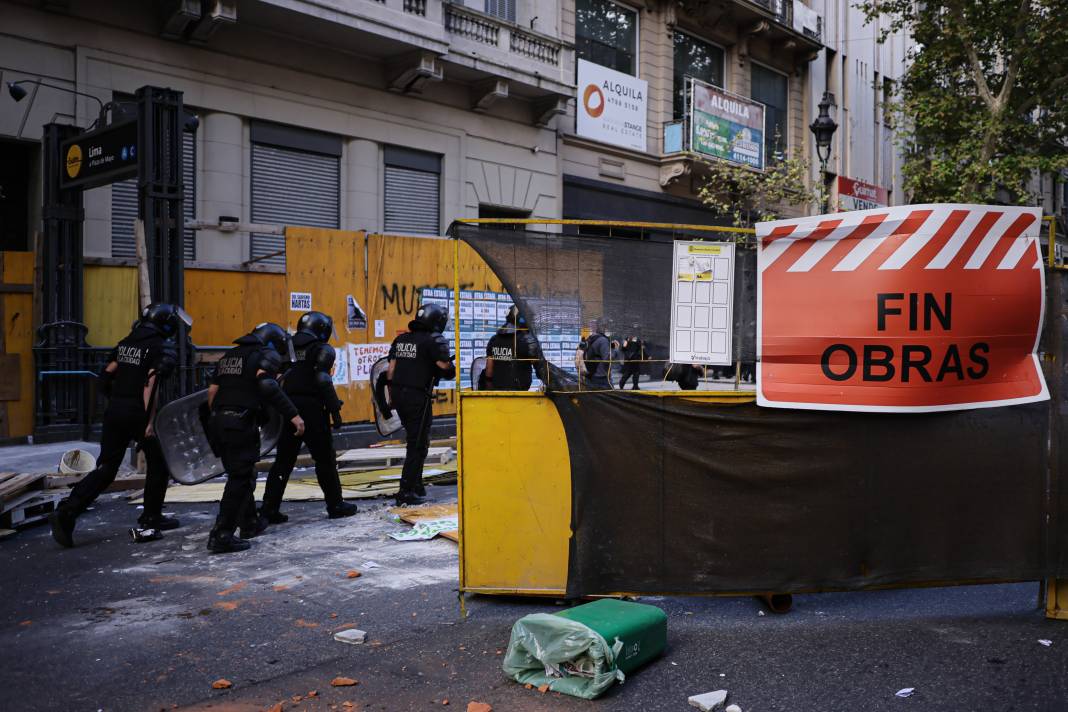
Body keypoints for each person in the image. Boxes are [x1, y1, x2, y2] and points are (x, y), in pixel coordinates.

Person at [49, 303, 191, 547]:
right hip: (139, 412)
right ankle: (151, 517)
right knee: (159, 464)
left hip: (116, 410)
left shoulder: (126, 343)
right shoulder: (159, 347)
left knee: (106, 467)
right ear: (166, 324)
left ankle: (68, 512)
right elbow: (151, 384)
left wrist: (117, 399)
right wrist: (149, 422)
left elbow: (105, 376)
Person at [205, 322, 305, 554]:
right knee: (240, 479)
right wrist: (294, 415)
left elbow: (212, 392)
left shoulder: (230, 355)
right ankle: (222, 534)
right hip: (240, 421)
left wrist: (220, 417)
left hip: (219, 421)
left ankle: (249, 522)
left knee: (242, 474)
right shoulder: (264, 354)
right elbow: (268, 384)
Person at [260, 311, 356, 524]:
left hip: (288, 408)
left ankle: (269, 508)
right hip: (312, 408)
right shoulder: (322, 349)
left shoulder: (287, 346)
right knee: (325, 459)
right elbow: (323, 380)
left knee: (283, 461)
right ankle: (335, 504)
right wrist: (335, 410)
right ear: (322, 329)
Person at [385, 303, 455, 506]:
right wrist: (450, 367)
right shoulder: (433, 340)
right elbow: (444, 366)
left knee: (416, 440)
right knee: (417, 444)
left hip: (398, 394)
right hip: (417, 397)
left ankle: (416, 484)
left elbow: (390, 372)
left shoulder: (401, 339)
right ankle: (406, 490)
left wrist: (391, 399)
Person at [484, 305, 543, 391]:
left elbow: (489, 369)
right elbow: (541, 370)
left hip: (497, 393)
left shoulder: (494, 339)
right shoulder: (528, 341)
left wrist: (489, 390)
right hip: (520, 395)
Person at [577, 322, 612, 390]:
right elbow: (607, 359)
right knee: (608, 397)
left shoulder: (590, 338)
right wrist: (615, 351)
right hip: (601, 376)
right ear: (604, 328)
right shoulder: (603, 340)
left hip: (590, 373)